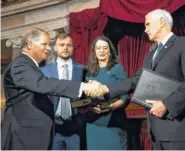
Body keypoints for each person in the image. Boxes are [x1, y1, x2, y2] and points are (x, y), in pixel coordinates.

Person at [1, 27, 108, 150]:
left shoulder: (30, 65)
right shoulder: (21, 63)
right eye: (44, 44)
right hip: (23, 135)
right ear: (30, 44)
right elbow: (42, 84)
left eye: (49, 44)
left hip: (43, 133)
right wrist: (83, 86)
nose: (48, 48)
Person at [100, 9, 185, 150]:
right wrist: (106, 89)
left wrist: (166, 104)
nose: (145, 30)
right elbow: (135, 80)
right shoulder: (150, 55)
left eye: (148, 24)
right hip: (156, 132)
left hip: (178, 130)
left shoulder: (182, 44)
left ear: (162, 22)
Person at [41, 33, 86, 150]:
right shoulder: (44, 71)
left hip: (76, 126)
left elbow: (86, 98)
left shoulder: (82, 70)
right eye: (61, 45)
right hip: (53, 127)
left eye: (68, 45)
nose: (65, 48)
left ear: (73, 48)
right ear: (55, 48)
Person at [85, 36, 129, 150]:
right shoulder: (89, 72)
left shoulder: (118, 68)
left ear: (110, 51)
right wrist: (89, 107)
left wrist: (111, 107)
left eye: (105, 48)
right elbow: (85, 97)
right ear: (94, 51)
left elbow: (125, 96)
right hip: (93, 125)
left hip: (114, 124)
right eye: (98, 48)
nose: (102, 51)